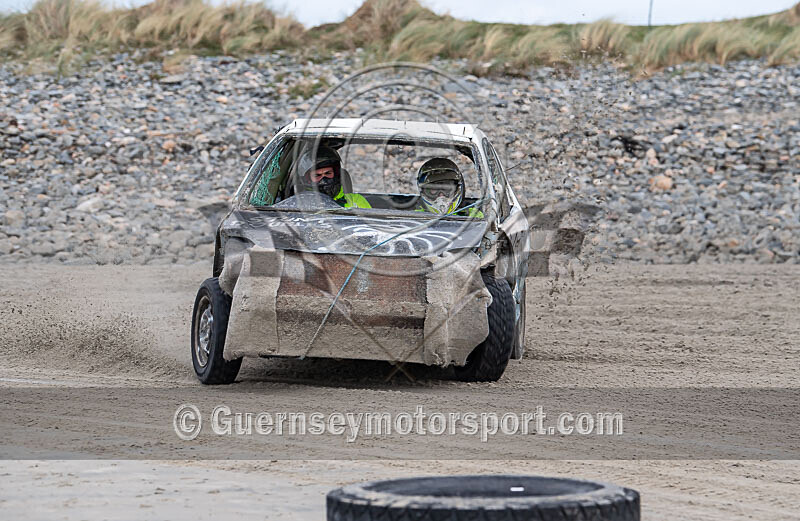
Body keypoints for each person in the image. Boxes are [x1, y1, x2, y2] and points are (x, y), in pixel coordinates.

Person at [291, 146, 371, 209]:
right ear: (308, 179)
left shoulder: (356, 200)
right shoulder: (300, 203)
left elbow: (370, 225)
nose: (324, 179)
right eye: (317, 175)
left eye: (328, 173)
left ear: (336, 174)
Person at [415, 158, 483, 217]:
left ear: (458, 188)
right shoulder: (416, 217)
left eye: (446, 188)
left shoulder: (473, 215)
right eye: (434, 189)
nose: (441, 195)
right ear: (424, 192)